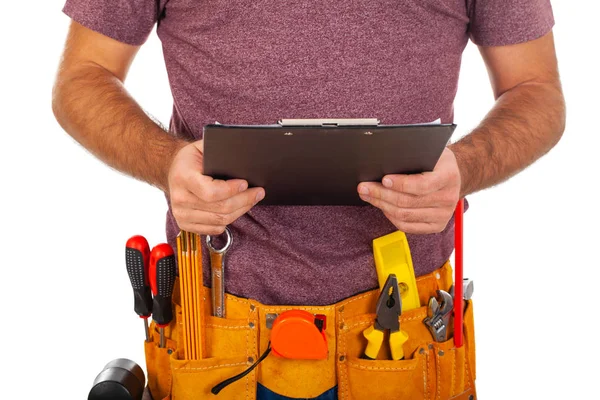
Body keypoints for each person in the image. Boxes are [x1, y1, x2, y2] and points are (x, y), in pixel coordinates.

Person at [53, 0, 565, 399]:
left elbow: (536, 87)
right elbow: (82, 77)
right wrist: (166, 163)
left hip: (407, 334)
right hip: (214, 333)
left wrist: (466, 166)